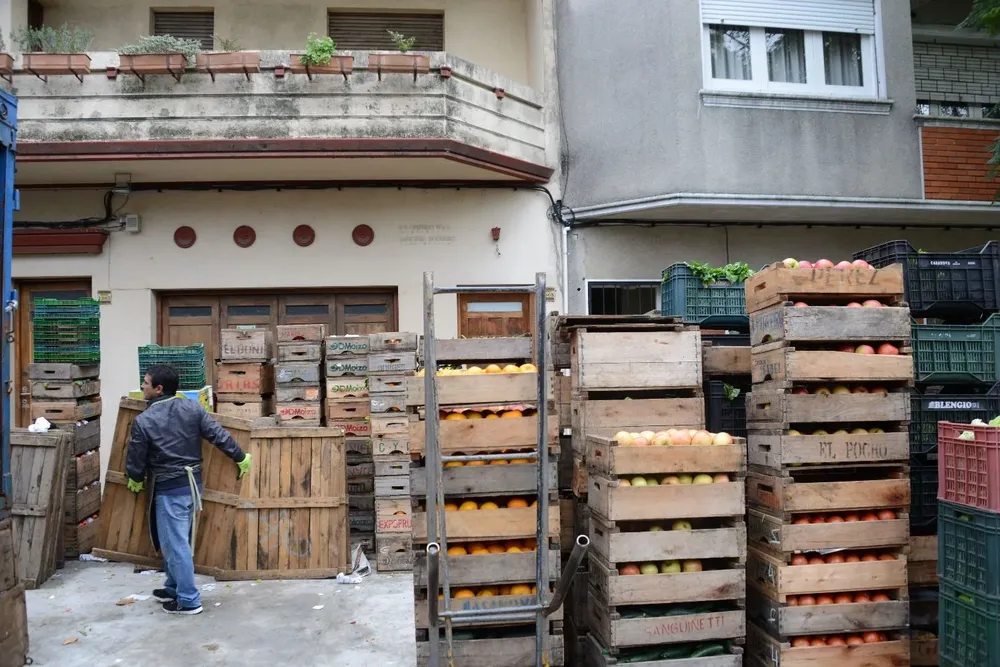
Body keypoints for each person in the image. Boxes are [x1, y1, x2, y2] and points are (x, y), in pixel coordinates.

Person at [125, 364, 252, 615]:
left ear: (159, 389)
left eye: (146, 383)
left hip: (169, 490)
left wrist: (135, 477)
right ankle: (173, 587)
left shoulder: (144, 421)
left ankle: (189, 600)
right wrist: (239, 457)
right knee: (173, 541)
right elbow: (218, 435)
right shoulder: (192, 408)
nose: (142, 386)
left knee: (176, 545)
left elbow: (136, 457)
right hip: (193, 487)